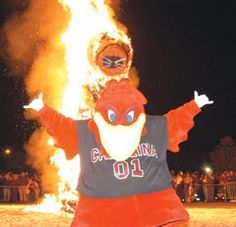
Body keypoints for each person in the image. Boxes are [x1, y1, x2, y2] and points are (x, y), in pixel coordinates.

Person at [24, 79, 213, 226]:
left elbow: (175, 120)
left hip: (148, 208)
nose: (121, 123)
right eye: (113, 115)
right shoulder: (87, 131)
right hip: (103, 210)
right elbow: (62, 125)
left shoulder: (152, 127)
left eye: (129, 115)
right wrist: (43, 110)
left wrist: (194, 106)